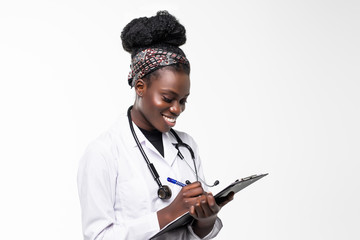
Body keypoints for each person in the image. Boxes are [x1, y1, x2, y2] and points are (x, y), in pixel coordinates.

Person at [77, 11, 233, 240]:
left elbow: (192, 234)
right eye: (168, 99)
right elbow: (97, 237)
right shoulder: (103, 153)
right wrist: (168, 214)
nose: (177, 109)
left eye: (183, 100)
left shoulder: (186, 145)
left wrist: (206, 220)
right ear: (140, 87)